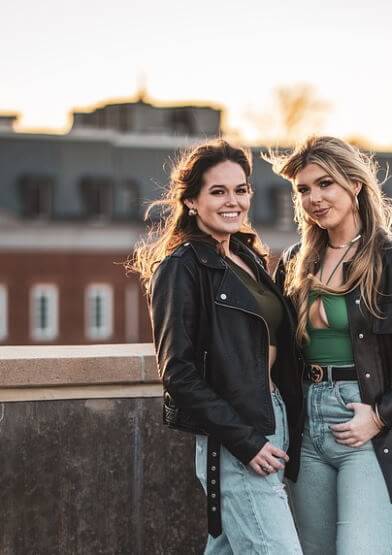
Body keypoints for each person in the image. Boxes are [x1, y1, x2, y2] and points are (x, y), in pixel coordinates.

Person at [270, 136, 392, 555]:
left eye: (325, 184)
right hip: (306, 431)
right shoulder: (296, 262)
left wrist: (380, 415)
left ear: (355, 185)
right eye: (303, 190)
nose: (313, 198)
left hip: (370, 429)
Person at [132, 139, 303, 554]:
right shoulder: (181, 267)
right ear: (191, 200)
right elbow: (178, 374)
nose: (234, 201)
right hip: (238, 436)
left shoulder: (247, 255)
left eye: (241, 189)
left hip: (271, 414)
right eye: (218, 191)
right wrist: (245, 441)